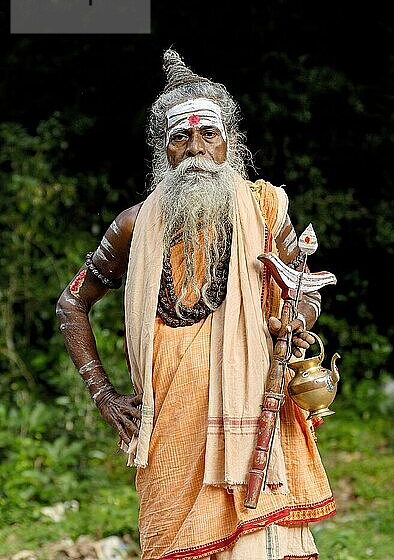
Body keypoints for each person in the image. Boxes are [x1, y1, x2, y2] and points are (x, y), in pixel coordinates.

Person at [56, 49, 335, 560]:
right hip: (170, 437)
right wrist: (103, 395)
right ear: (163, 151)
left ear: (230, 142)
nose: (196, 149)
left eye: (208, 134)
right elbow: (71, 304)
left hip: (256, 424)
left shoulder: (266, 211)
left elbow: (305, 292)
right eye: (180, 137)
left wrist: (296, 319)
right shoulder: (133, 227)